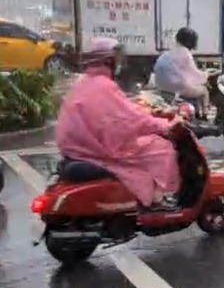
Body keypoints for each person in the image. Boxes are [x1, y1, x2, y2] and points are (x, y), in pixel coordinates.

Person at [57, 37, 183, 210]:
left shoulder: (85, 82)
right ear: (107, 60)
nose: (119, 63)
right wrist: (166, 125)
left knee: (146, 144)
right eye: (116, 58)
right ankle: (156, 199)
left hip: (79, 147)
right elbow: (131, 120)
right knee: (162, 148)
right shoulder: (104, 86)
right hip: (96, 151)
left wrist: (145, 115)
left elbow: (122, 113)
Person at [152, 27, 210, 118]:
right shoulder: (185, 53)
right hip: (176, 87)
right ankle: (204, 116)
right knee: (204, 91)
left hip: (161, 86)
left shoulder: (169, 52)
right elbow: (193, 74)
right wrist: (206, 75)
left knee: (194, 87)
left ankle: (195, 111)